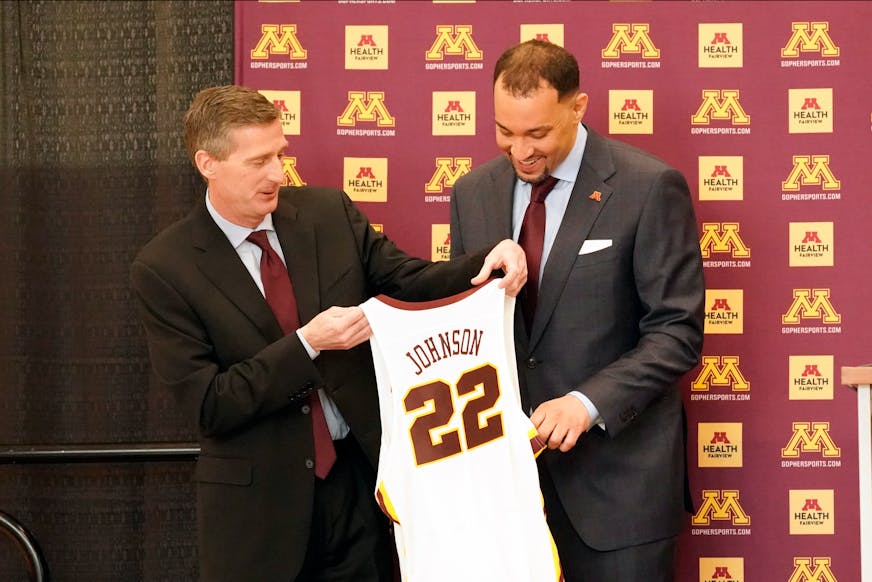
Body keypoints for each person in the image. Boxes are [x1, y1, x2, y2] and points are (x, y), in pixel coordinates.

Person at [130, 84, 527, 582]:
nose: (278, 173)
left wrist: (489, 263)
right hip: (259, 520)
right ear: (207, 163)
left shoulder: (327, 214)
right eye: (258, 162)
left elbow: (410, 280)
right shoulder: (165, 268)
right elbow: (210, 403)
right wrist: (307, 345)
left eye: (280, 154)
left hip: (359, 490)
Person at [449, 40, 705, 581]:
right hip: (504, 494)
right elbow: (463, 322)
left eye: (537, 133)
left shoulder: (648, 187)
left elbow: (675, 332)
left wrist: (586, 403)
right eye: (505, 132)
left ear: (578, 107)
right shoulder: (472, 192)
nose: (520, 151)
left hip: (619, 491)